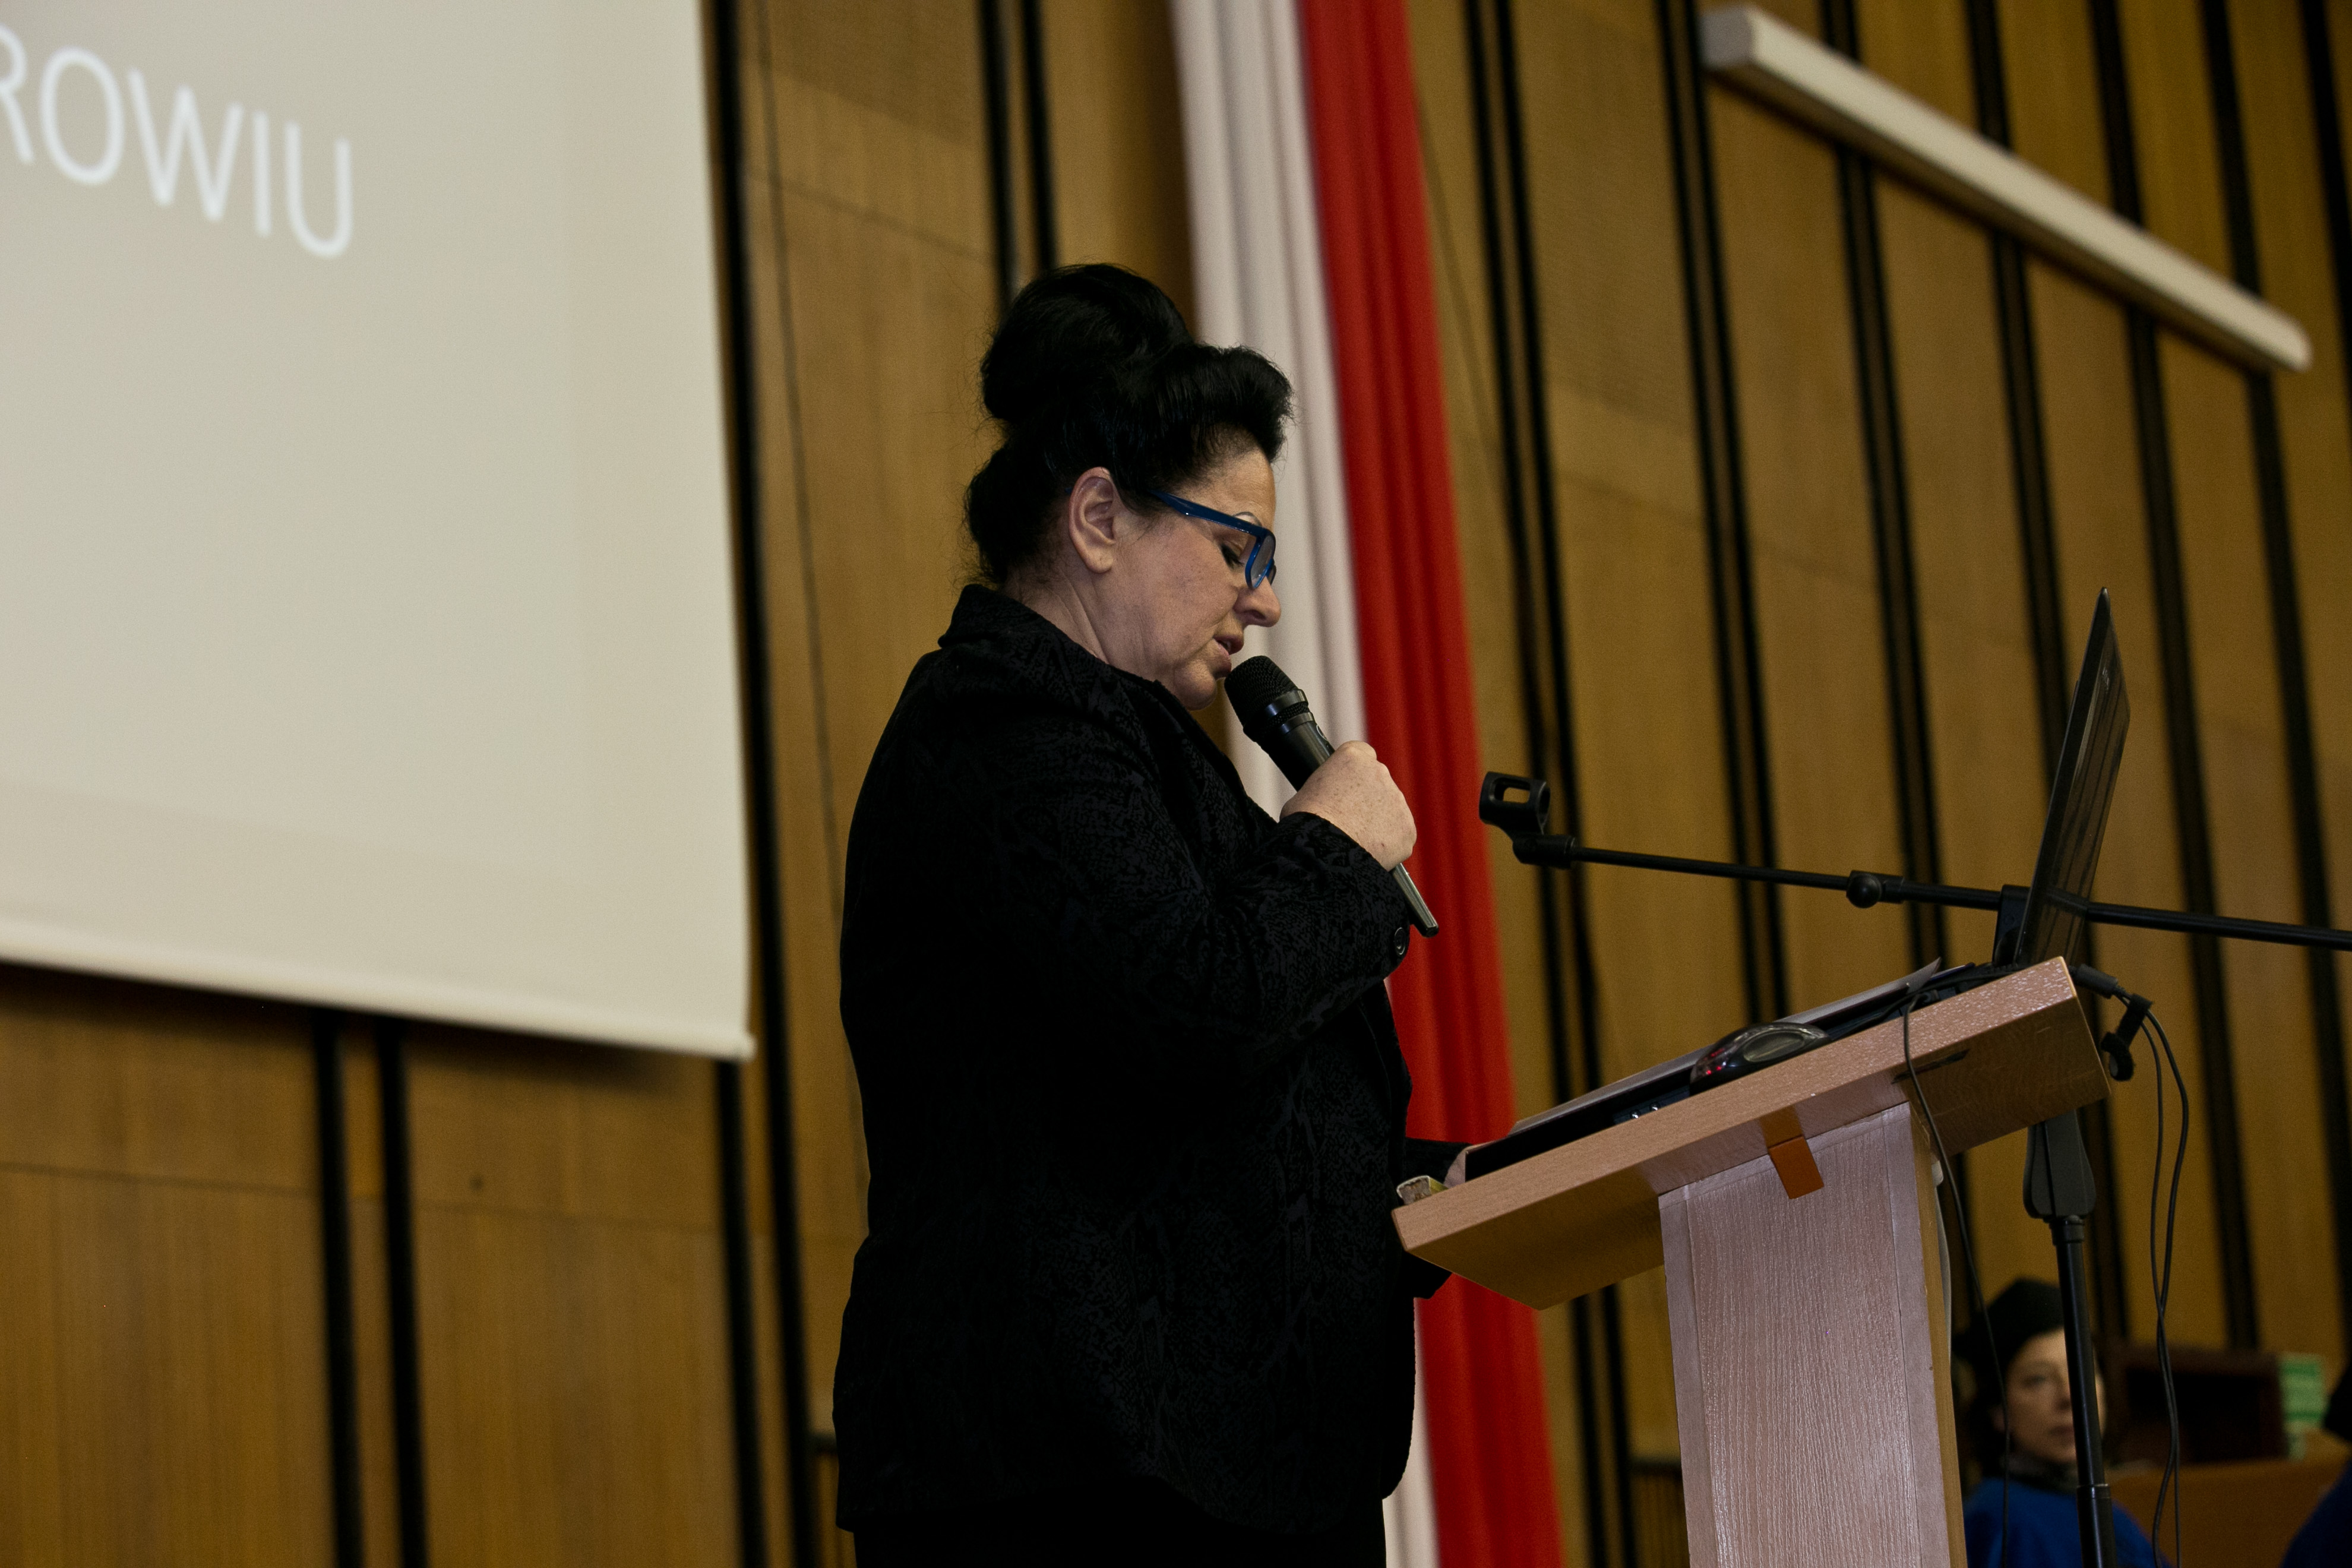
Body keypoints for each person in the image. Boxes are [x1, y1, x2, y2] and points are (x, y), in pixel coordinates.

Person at [830, 264, 1460, 1566]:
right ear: (1100, 517)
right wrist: (1333, 850)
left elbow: (1170, 1106)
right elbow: (1199, 1004)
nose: (1265, 598)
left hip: (1201, 1463)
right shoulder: (1006, 725)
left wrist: (1415, 1188)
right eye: (1237, 550)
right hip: (1073, 1471)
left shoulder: (1131, 741)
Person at [1961, 1279, 2165, 1568]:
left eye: (2083, 1369)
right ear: (1998, 1411)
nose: (2070, 1396)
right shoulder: (1998, 1521)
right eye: (2039, 1379)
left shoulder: (2111, 1514)